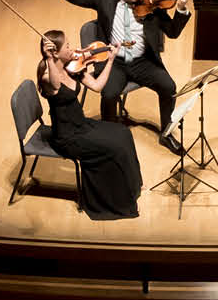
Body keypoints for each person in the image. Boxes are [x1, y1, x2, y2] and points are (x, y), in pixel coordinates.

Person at [58, 0, 193, 155]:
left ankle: (167, 134)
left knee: (169, 87)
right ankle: (110, 140)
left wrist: (181, 9)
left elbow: (173, 32)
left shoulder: (152, 4)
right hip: (115, 62)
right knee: (109, 93)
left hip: (142, 61)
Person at [37, 31, 143, 221]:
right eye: (67, 46)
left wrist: (110, 61)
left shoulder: (73, 68)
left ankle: (131, 187)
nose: (73, 48)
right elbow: (55, 84)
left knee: (122, 133)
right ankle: (115, 201)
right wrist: (49, 59)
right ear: (55, 53)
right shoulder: (47, 76)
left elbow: (97, 86)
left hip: (82, 124)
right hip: (68, 136)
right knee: (114, 149)